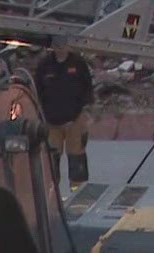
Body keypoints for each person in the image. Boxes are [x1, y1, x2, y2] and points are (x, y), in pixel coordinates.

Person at [34, 43, 95, 187]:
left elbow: (87, 88)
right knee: (51, 159)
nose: (60, 48)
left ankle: (78, 192)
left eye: (62, 45)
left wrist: (86, 111)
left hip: (75, 120)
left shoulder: (78, 63)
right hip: (51, 122)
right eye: (57, 45)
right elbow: (38, 91)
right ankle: (51, 192)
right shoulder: (45, 65)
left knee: (76, 156)